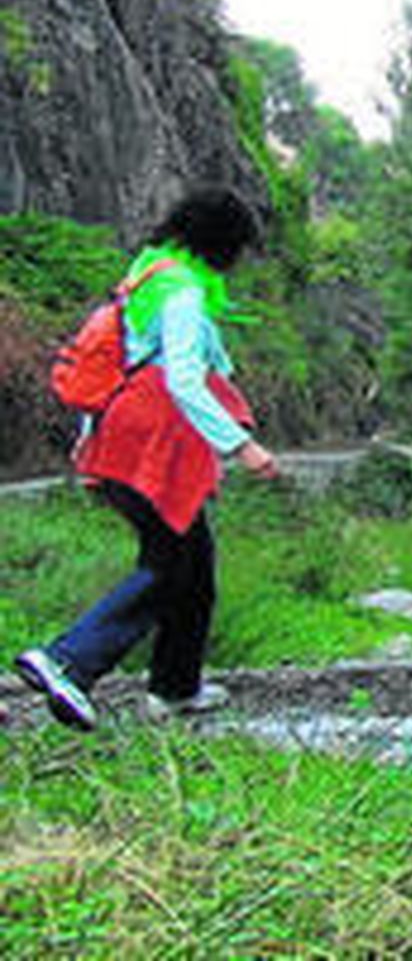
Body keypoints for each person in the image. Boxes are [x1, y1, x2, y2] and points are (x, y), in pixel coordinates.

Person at [14, 185, 278, 731]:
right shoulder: (182, 293)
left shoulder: (148, 274)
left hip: (122, 439)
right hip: (150, 449)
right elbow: (182, 378)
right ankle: (66, 661)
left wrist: (89, 443)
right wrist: (240, 444)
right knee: (169, 567)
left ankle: (177, 687)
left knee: (195, 567)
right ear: (221, 243)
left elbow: (117, 358)